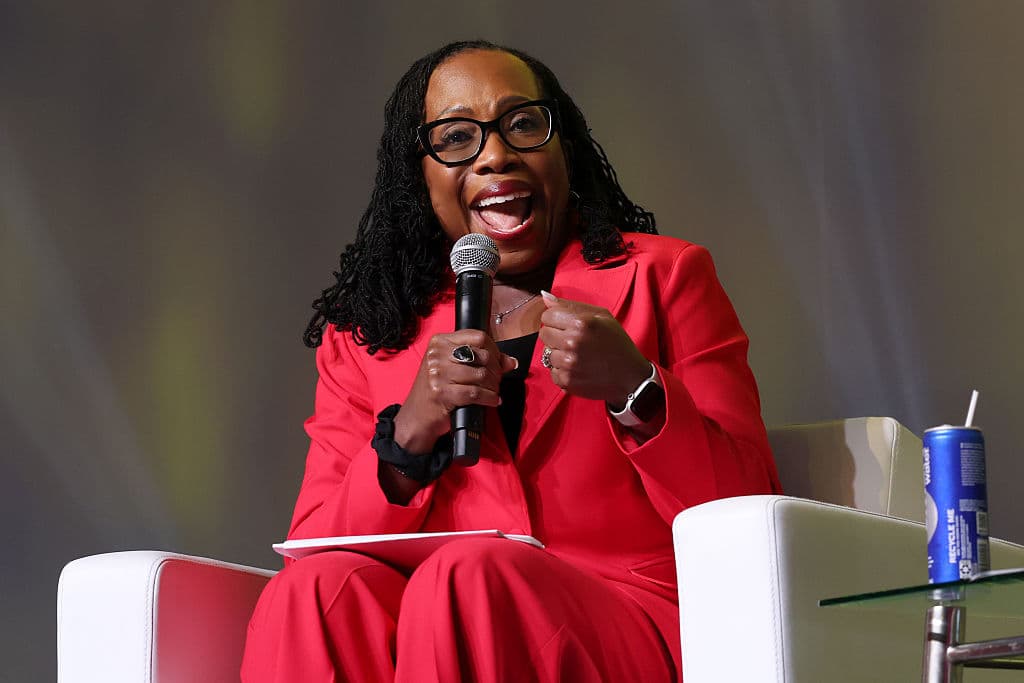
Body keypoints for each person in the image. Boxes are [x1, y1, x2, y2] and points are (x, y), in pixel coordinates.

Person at [241, 40, 781, 682]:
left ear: (564, 149)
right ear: (419, 175)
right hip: (438, 629)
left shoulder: (665, 277)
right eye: (456, 137)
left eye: (523, 124)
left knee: (469, 572)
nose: (495, 154)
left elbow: (750, 511)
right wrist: (408, 437)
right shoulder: (367, 334)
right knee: (310, 593)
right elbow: (314, 546)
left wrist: (637, 390)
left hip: (626, 619)